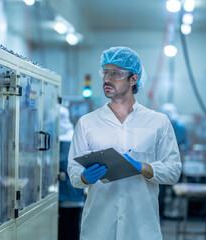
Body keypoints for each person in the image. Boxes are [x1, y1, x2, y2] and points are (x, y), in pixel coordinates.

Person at [67, 46, 182, 240]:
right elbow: (73, 174)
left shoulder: (158, 122)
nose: (107, 79)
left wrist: (143, 167)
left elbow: (173, 171)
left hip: (141, 228)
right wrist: (85, 177)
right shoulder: (87, 123)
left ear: (134, 79)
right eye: (105, 73)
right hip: (98, 228)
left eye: (116, 73)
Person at [58, 106, 85, 240]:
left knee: (69, 230)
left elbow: (63, 163)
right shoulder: (69, 138)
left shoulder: (67, 140)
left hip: (70, 195)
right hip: (65, 195)